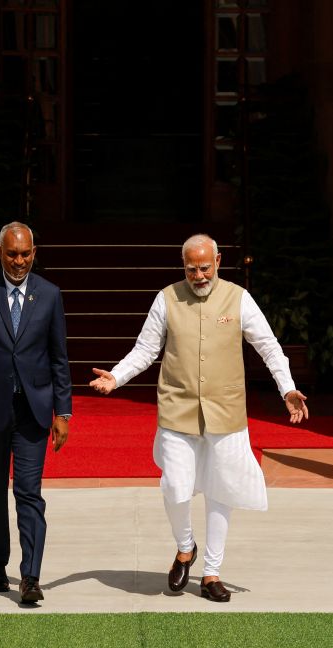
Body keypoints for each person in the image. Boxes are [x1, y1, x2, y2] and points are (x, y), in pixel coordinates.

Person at [89, 234, 307, 602]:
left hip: (226, 409)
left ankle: (211, 573)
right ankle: (185, 547)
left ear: (218, 262)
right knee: (175, 485)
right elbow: (145, 350)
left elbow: (269, 347)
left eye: (205, 268)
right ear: (183, 266)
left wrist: (287, 389)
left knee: (222, 489)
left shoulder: (239, 298)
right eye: (192, 269)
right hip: (177, 408)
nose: (199, 276)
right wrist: (117, 377)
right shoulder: (166, 298)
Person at [0, 222, 72, 604]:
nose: (18, 261)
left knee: (28, 492)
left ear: (34, 253)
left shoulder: (49, 295)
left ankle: (31, 577)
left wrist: (63, 413)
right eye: (12, 254)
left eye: (24, 254)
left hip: (33, 412)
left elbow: (58, 358)